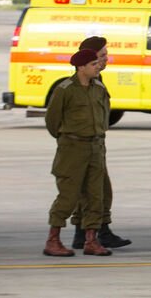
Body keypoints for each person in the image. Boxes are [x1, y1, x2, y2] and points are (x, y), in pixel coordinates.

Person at [43, 49, 112, 257]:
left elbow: (105, 114)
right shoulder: (65, 89)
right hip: (72, 148)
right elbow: (52, 121)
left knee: (95, 196)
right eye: (93, 64)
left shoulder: (99, 88)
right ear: (80, 67)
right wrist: (68, 139)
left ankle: (91, 240)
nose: (98, 66)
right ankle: (53, 240)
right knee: (68, 196)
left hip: (95, 147)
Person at [69, 36, 132, 250]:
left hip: (95, 143)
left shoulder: (96, 81)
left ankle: (84, 233)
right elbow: (55, 120)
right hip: (81, 146)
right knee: (97, 191)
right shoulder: (77, 85)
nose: (107, 59)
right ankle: (98, 233)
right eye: (102, 56)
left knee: (93, 190)